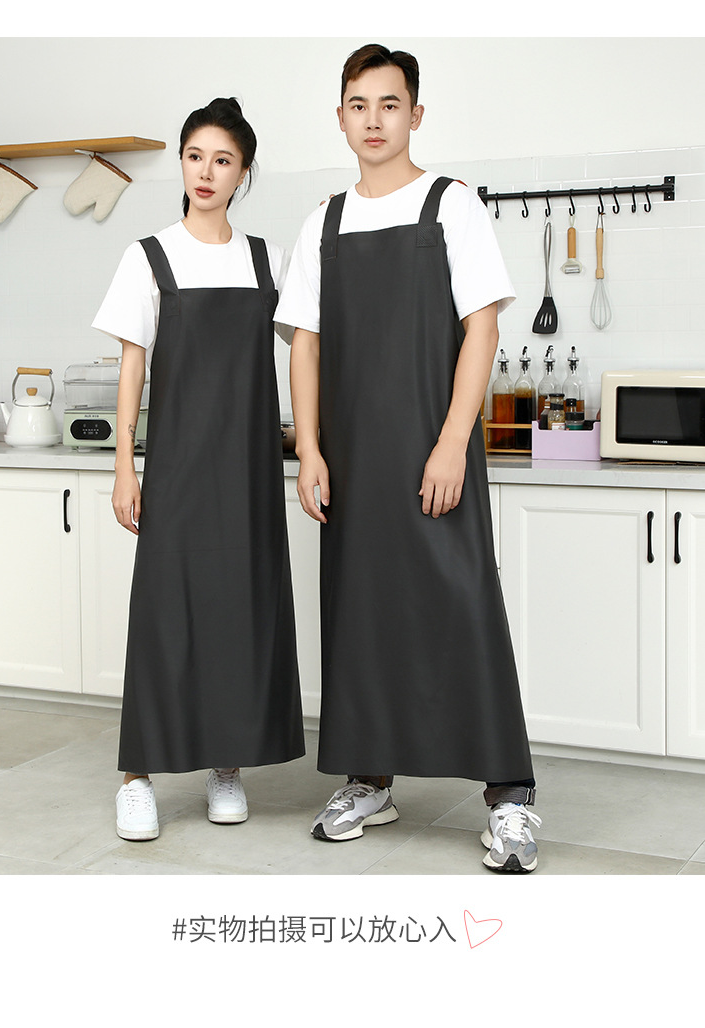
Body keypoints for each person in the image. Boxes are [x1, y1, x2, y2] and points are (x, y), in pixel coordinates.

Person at [276, 44, 541, 872]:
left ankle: (509, 796)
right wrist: (309, 450)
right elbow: (305, 345)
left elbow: (482, 328)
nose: (374, 120)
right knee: (360, 616)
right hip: (352, 462)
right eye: (358, 105)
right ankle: (369, 780)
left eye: (389, 105)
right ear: (340, 117)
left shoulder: (451, 205)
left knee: (463, 609)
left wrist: (454, 441)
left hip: (434, 451)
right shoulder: (322, 222)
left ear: (415, 114)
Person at [93, 97, 305, 842]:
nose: (205, 172)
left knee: (237, 611)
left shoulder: (266, 259)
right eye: (194, 157)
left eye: (222, 160)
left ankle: (226, 765)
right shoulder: (148, 256)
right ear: (181, 164)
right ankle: (137, 777)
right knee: (164, 614)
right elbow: (133, 366)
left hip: (248, 473)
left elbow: (308, 349)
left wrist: (311, 439)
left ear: (243, 173)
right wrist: (125, 466)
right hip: (178, 467)